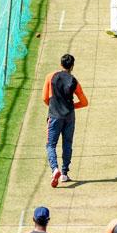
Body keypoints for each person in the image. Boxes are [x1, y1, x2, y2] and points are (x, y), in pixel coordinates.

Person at [42, 53, 88, 187]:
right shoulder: (74, 81)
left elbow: (45, 98)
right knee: (67, 144)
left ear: (60, 64)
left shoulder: (50, 77)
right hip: (69, 116)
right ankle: (64, 173)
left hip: (55, 116)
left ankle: (54, 169)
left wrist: (54, 107)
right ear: (72, 66)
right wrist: (71, 106)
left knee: (50, 145)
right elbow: (84, 102)